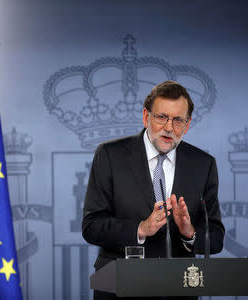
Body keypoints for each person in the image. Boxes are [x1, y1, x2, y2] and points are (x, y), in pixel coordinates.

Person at [82, 81, 225, 300]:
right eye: (161, 117)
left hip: (178, 291)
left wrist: (190, 233)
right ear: (145, 117)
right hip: (120, 288)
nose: (169, 127)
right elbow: (91, 226)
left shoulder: (203, 165)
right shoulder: (110, 155)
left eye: (178, 120)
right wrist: (140, 228)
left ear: (187, 126)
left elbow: (215, 239)